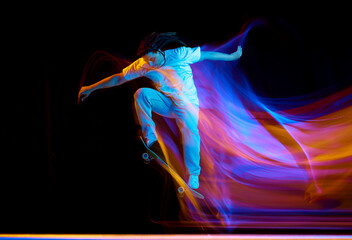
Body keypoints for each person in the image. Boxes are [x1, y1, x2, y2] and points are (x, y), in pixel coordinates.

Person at [78, 32, 242, 189]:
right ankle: (150, 138)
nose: (151, 63)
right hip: (168, 104)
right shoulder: (143, 64)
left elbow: (207, 55)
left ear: (158, 51)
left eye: (153, 59)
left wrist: (231, 57)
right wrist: (91, 88)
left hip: (188, 106)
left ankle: (193, 174)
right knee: (141, 94)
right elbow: (119, 77)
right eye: (148, 61)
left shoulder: (179, 54)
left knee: (190, 132)